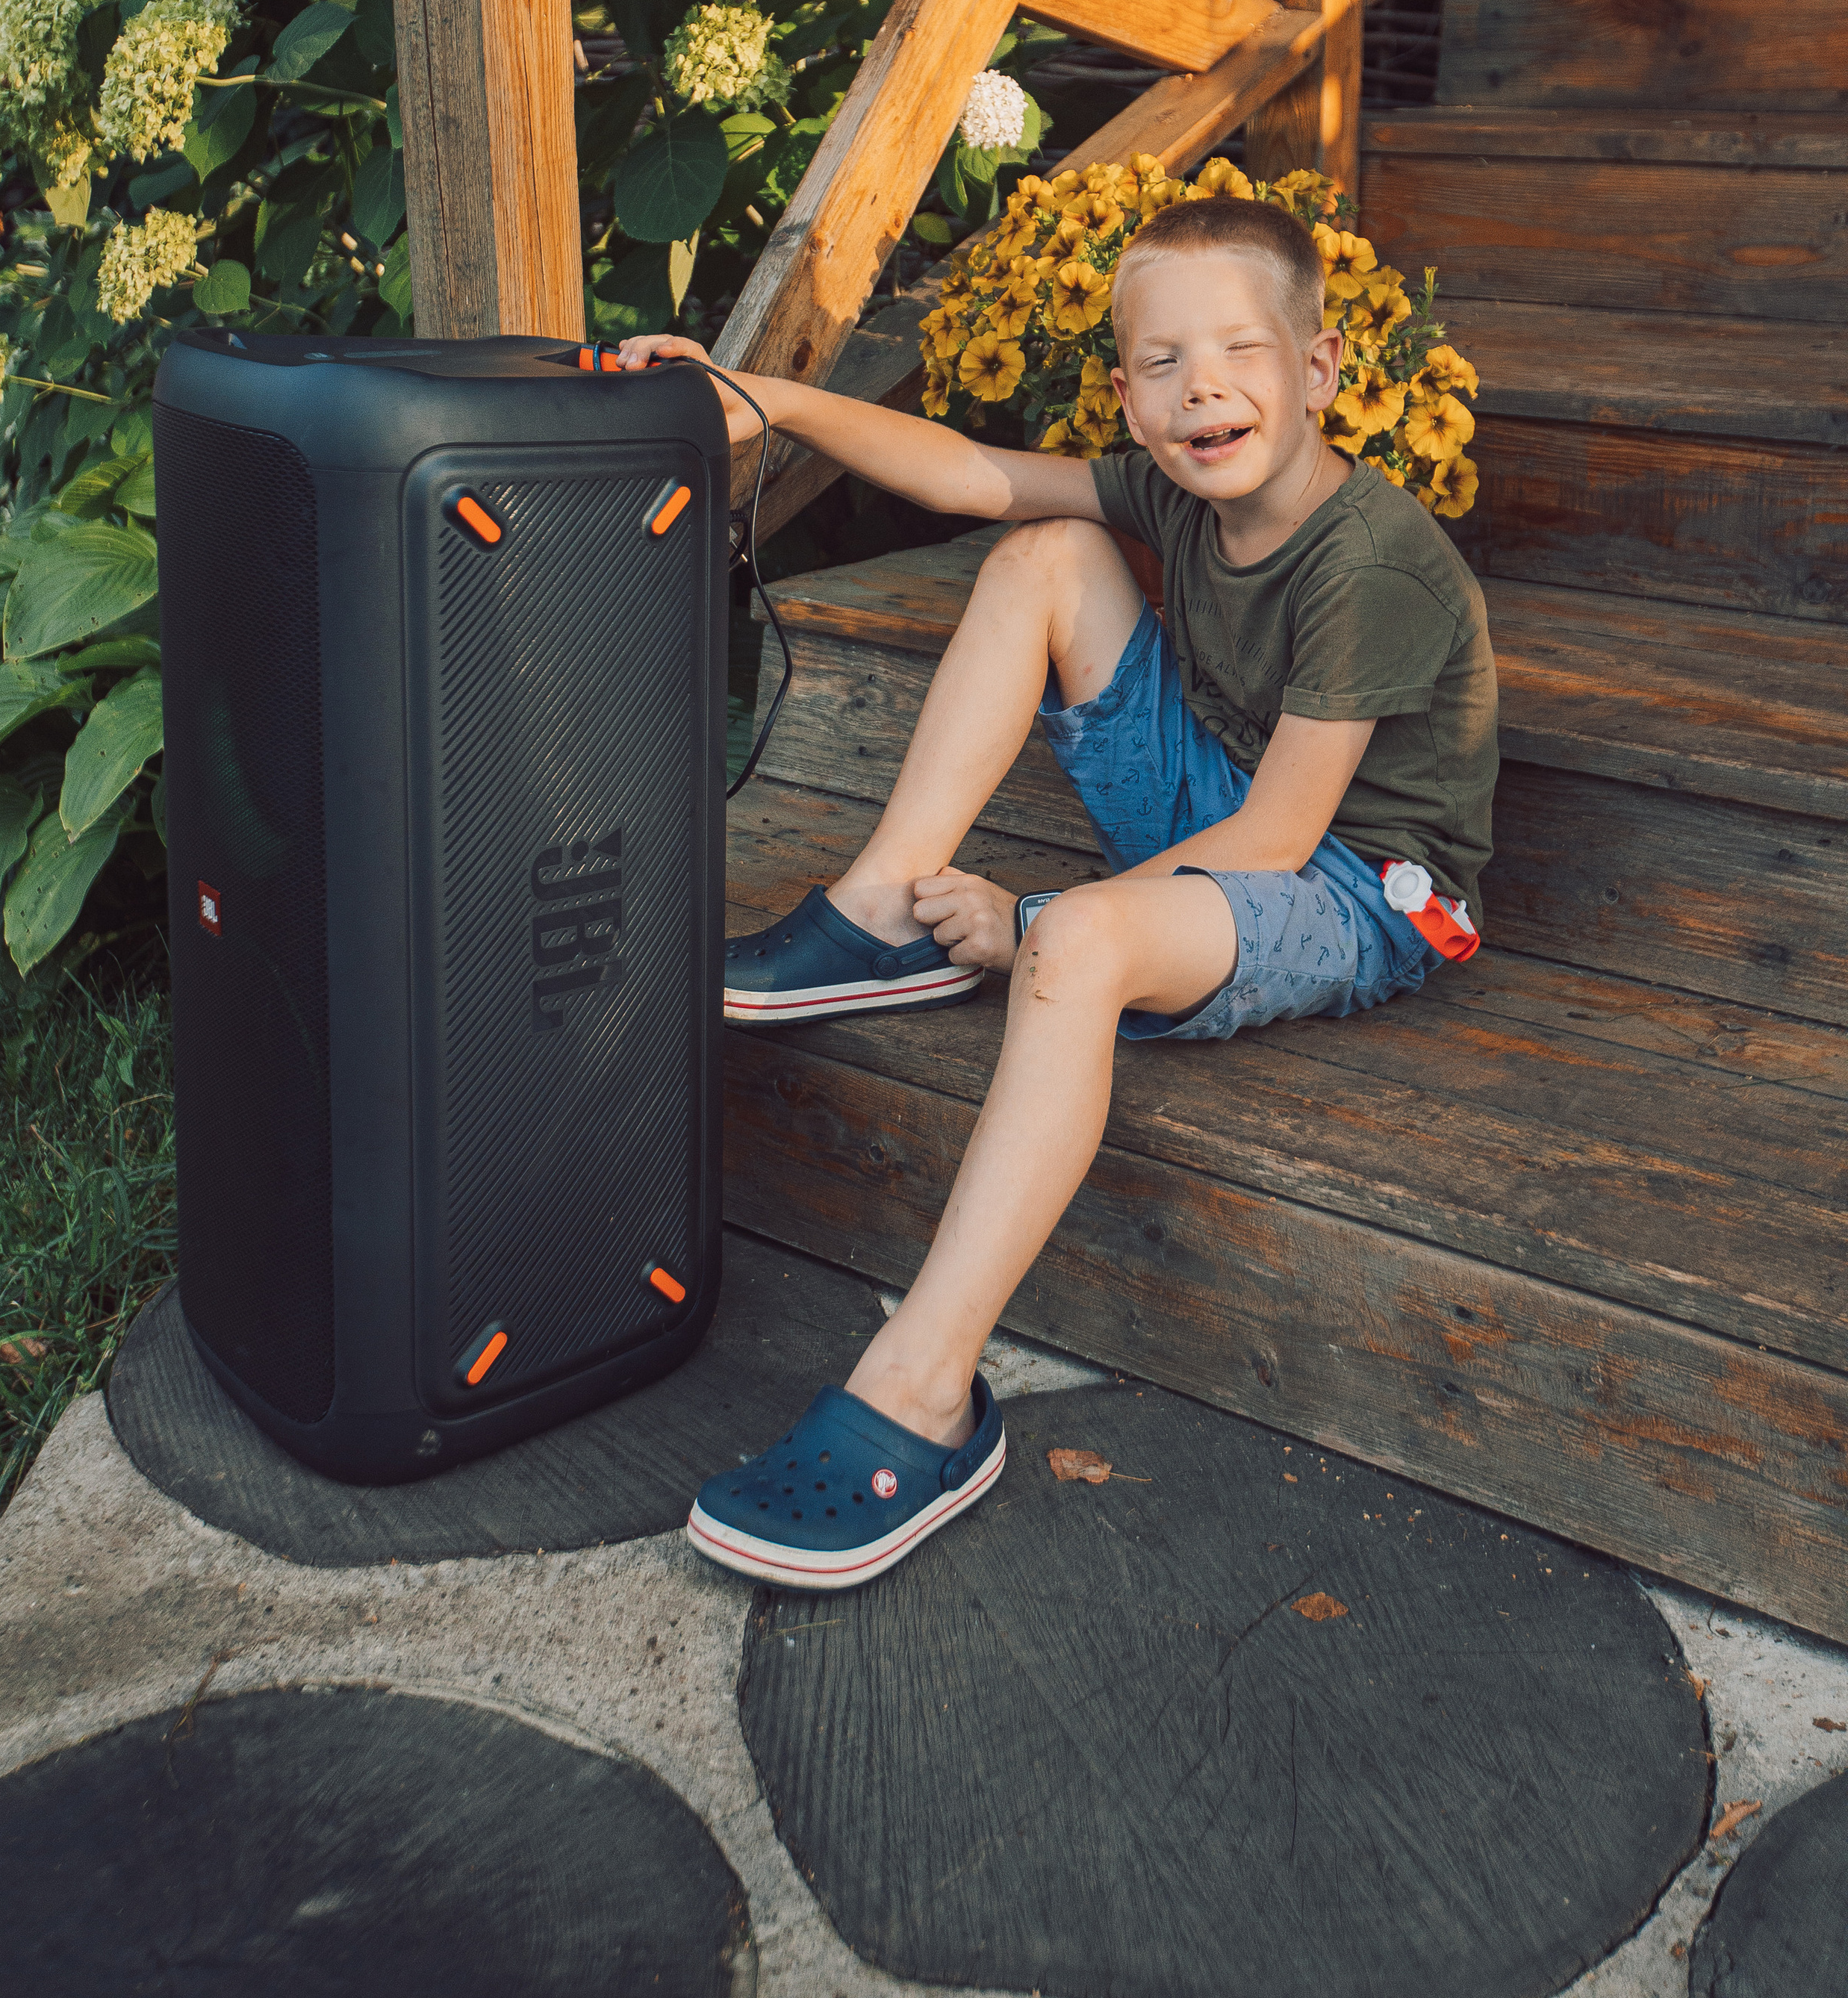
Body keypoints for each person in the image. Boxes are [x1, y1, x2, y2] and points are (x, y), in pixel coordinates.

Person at [617, 193, 1497, 1590]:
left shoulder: (1374, 561)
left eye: (1240, 352)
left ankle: (926, 1393)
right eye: (1161, 362)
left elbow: (1275, 838)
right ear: (1134, 397)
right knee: (1042, 551)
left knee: (1078, 945)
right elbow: (974, 478)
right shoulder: (1173, 488)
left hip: (1355, 888)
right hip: (1238, 802)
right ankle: (881, 906)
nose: (1202, 385)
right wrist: (762, 396)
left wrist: (1030, 920)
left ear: (1321, 369)